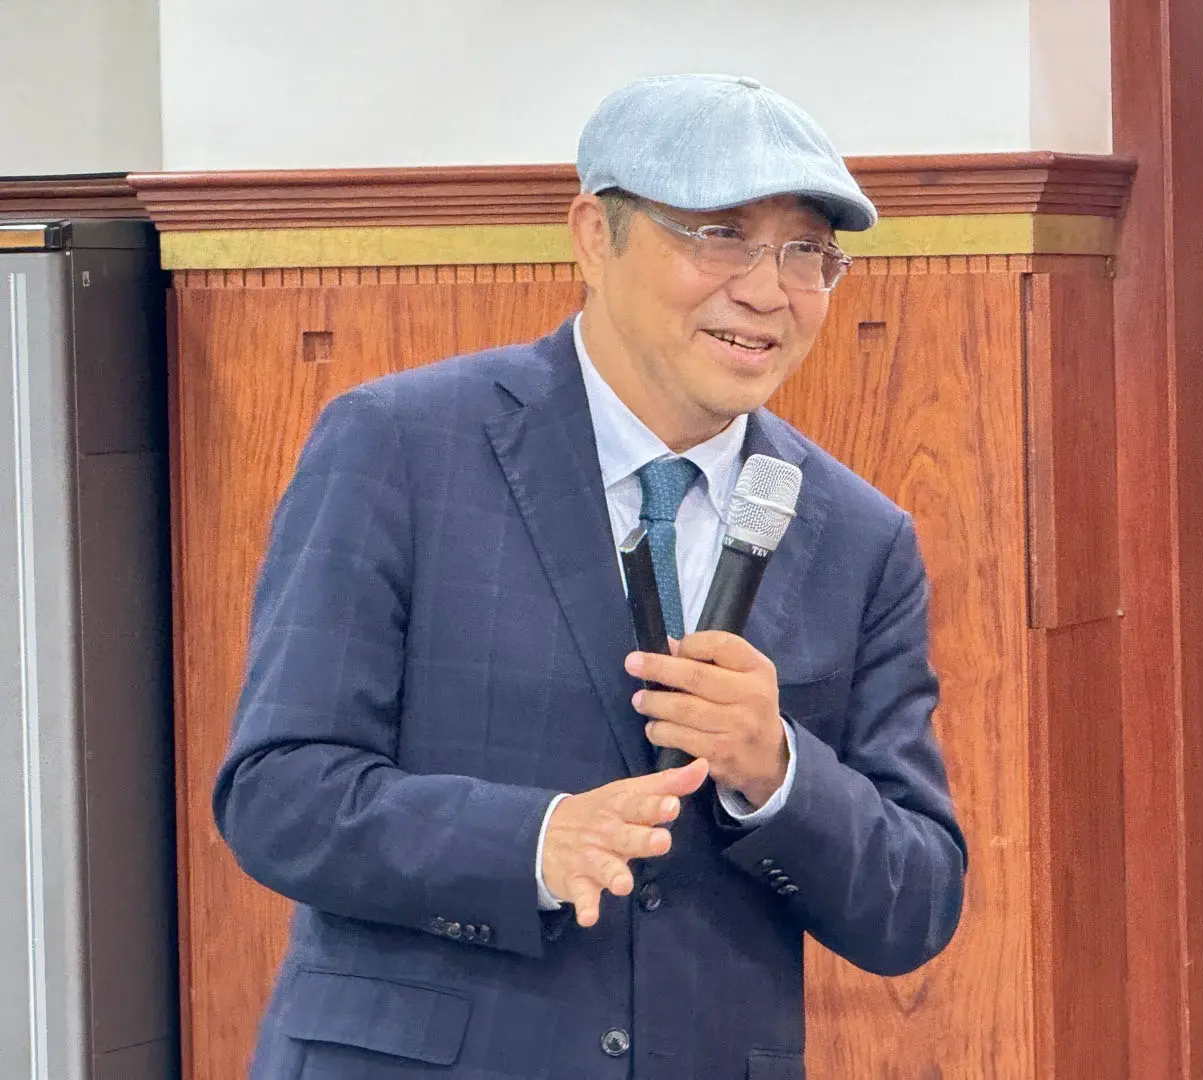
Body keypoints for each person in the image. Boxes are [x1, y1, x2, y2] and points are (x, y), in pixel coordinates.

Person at [214, 72, 967, 1080]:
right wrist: (532, 842)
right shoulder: (399, 444)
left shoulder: (859, 535)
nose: (767, 290)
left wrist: (777, 770)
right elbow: (279, 794)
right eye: (721, 235)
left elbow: (915, 903)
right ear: (592, 236)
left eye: (806, 251)